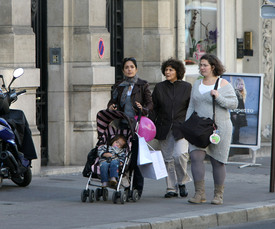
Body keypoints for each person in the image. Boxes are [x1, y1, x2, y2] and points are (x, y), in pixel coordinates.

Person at [186, 54, 238, 205]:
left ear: (213, 67)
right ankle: (199, 194)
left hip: (219, 128)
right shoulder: (197, 84)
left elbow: (234, 104)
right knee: (195, 157)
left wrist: (218, 97)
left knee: (217, 161)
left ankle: (218, 195)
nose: (201, 68)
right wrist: (186, 125)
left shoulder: (223, 83)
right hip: (198, 128)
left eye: (204, 65)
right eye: (200, 65)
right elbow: (191, 105)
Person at [107, 57, 153, 197]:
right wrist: (111, 106)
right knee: (123, 156)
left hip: (137, 126)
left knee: (135, 158)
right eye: (126, 67)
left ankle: (137, 188)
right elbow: (112, 101)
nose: (129, 69)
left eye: (132, 67)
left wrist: (143, 109)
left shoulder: (142, 85)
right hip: (122, 125)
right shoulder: (119, 85)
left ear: (136, 69)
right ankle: (125, 184)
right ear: (123, 70)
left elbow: (150, 103)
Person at [150, 58, 192, 198]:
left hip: (181, 127)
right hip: (164, 127)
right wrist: (150, 125)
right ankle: (170, 188)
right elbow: (154, 108)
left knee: (180, 155)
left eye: (171, 70)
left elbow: (190, 108)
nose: (167, 72)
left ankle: (182, 181)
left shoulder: (187, 87)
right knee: (167, 159)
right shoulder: (159, 87)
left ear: (177, 71)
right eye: (166, 70)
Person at [230, 77, 247, 144]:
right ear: (236, 85)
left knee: (238, 127)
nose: (241, 86)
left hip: (239, 113)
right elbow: (234, 104)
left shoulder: (241, 94)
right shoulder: (236, 94)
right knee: (236, 127)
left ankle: (236, 140)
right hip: (236, 113)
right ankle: (235, 141)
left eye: (242, 84)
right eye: (239, 84)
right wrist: (234, 113)